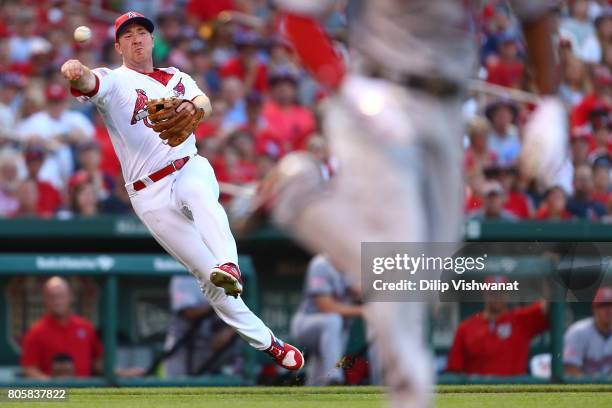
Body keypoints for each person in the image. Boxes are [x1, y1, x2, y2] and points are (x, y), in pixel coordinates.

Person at [250, 1, 564, 406]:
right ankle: (411, 394)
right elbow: (297, 15)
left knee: (429, 264)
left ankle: (297, 196)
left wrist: (551, 102)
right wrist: (344, 84)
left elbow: (535, 14)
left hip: (450, 109)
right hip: (379, 98)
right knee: (401, 264)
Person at [60, 11, 303, 371]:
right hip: (148, 193)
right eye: (128, 36)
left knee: (202, 198)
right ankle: (270, 343)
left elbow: (203, 102)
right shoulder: (115, 81)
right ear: (118, 46)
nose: (137, 39)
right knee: (209, 281)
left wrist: (193, 107)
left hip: (187, 165)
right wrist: (76, 72)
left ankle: (230, 265)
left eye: (142, 32)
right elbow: (89, 83)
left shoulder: (177, 77)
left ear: (152, 40)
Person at [447, 278, 549, 376]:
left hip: (513, 391)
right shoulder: (466, 328)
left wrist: (552, 275)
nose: (498, 296)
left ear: (507, 293)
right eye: (493, 291)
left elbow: (547, 308)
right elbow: (454, 371)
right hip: (478, 392)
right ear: (485, 293)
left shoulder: (520, 320)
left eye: (502, 291)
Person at [290, 254, 363, 385]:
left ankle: (314, 394)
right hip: (307, 324)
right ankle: (335, 378)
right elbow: (326, 306)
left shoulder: (351, 266)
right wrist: (363, 311)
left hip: (334, 330)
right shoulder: (321, 264)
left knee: (319, 379)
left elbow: (361, 292)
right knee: (333, 320)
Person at [20, 277, 103, 379]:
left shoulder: (85, 327)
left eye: (61, 296)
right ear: (45, 299)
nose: (57, 301)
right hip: (53, 393)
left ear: (70, 297)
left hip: (83, 392)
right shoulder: (35, 332)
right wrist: (53, 385)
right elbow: (29, 369)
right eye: (52, 297)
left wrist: (120, 373)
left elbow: (98, 361)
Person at [165, 275, 240, 377]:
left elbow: (243, 310)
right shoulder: (182, 277)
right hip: (182, 348)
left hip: (212, 349)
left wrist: (230, 330)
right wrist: (219, 302)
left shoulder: (225, 273)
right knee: (178, 386)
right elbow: (189, 313)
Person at [564, 286, 612, 377]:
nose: (609, 310)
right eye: (603, 306)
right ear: (594, 309)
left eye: (611, 306)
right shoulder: (577, 332)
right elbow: (570, 369)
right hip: (583, 388)